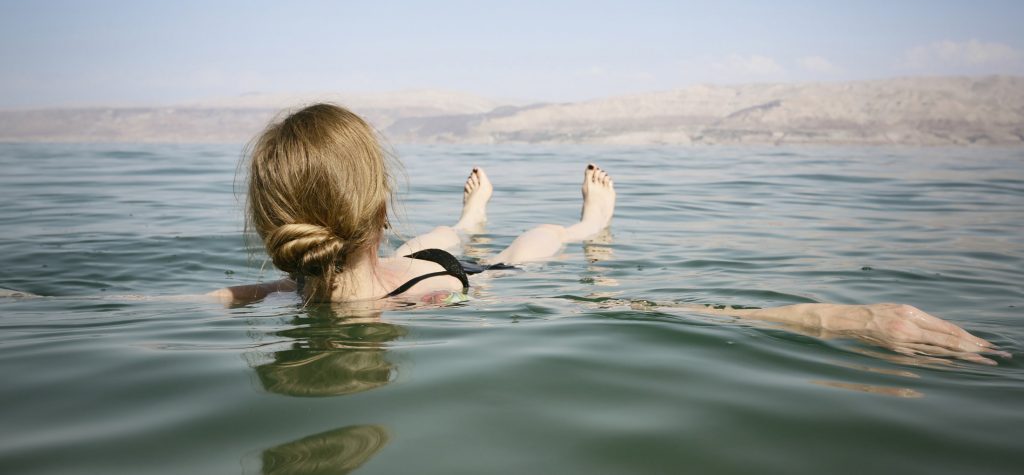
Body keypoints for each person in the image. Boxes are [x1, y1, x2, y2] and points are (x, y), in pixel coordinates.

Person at [210, 103, 1007, 365]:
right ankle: (589, 225)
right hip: (450, 273)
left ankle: (473, 212)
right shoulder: (426, 307)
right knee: (525, 250)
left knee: (449, 230)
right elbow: (639, 312)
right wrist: (836, 318)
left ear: (272, 227)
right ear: (377, 211)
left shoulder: (282, 288)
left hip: (407, 261)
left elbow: (235, 291)